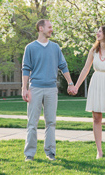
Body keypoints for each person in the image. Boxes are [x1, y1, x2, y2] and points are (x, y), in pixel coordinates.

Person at [20, 18, 74, 164]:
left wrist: (70, 83)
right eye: (49, 27)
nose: (51, 29)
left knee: (51, 122)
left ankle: (50, 152)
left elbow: (63, 66)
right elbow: (26, 69)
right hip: (35, 88)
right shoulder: (30, 48)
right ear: (41, 28)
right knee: (32, 123)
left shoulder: (55, 47)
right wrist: (24, 88)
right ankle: (29, 154)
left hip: (51, 89)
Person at [70, 25, 105, 160]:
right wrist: (76, 86)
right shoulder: (93, 50)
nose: (97, 33)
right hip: (96, 83)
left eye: (100, 31)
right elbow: (85, 69)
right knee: (96, 118)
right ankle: (99, 151)